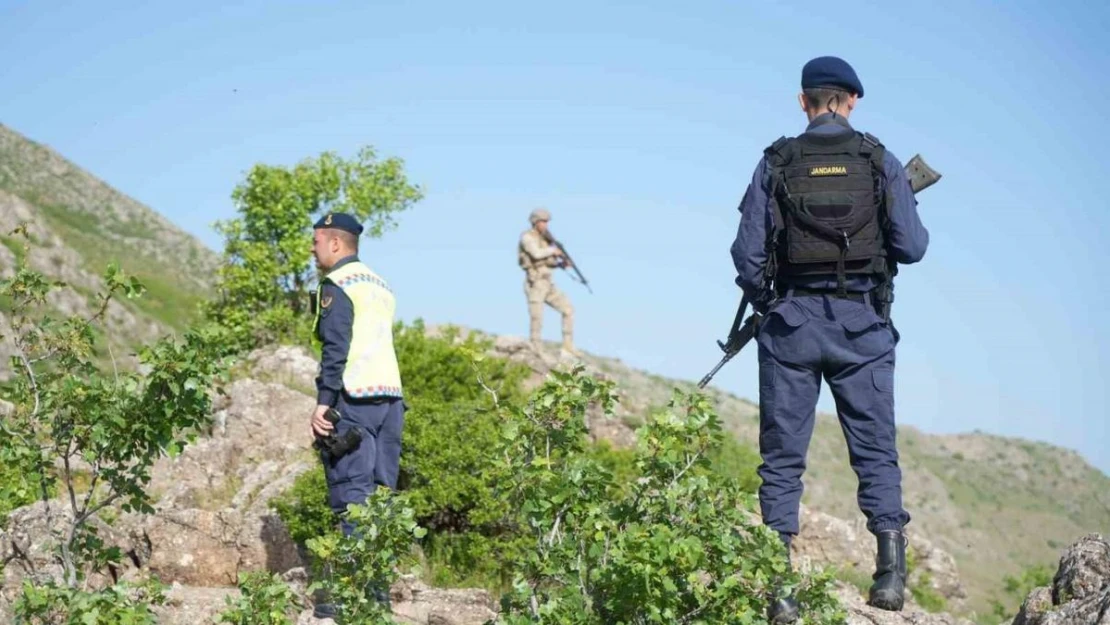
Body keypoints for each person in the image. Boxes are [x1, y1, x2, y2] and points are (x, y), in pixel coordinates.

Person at [729, 56, 929, 621]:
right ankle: (889, 577)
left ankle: (780, 591)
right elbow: (912, 247)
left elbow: (746, 257)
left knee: (783, 459)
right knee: (875, 451)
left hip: (791, 327)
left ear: (803, 102)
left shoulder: (776, 162)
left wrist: (774, 302)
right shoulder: (879, 159)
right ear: (852, 101)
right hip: (862, 328)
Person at [309, 211, 406, 618]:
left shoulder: (338, 285)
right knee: (379, 502)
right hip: (391, 403)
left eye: (315, 243)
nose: (313, 251)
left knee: (352, 499)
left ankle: (355, 599)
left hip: (354, 402)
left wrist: (322, 401)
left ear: (334, 244)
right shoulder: (380, 285)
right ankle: (378, 596)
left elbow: (337, 349)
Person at [518, 207, 578, 356]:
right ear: (535, 222)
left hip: (548, 283)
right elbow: (536, 254)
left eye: (546, 222)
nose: (545, 225)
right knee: (537, 318)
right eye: (542, 222)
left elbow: (547, 262)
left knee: (568, 310)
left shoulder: (545, 239)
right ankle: (536, 348)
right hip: (535, 283)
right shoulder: (527, 238)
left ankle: (568, 345)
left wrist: (561, 263)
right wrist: (554, 251)